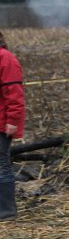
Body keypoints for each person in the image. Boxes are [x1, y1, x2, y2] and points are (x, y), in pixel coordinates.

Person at [0, 31, 25, 220]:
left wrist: (12, 120)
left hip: (1, 123)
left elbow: (14, 92)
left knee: (1, 166)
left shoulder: (6, 59)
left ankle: (6, 211)